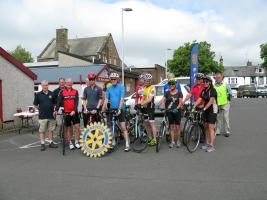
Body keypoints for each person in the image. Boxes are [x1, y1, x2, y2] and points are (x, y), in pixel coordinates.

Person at [103, 72, 130, 152]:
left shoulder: (121, 87)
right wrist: (103, 108)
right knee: (111, 126)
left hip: (121, 109)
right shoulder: (108, 88)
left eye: (115, 79)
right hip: (112, 109)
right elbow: (106, 99)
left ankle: (127, 144)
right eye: (112, 79)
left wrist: (119, 108)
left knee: (123, 127)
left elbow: (122, 99)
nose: (113, 80)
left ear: (117, 80)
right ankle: (113, 142)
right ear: (110, 80)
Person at [193, 76, 218, 152]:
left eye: (206, 82)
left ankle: (211, 145)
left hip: (213, 110)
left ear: (210, 83)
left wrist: (203, 109)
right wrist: (194, 106)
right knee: (206, 127)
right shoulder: (204, 91)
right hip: (206, 110)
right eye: (204, 82)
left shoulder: (213, 90)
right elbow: (199, 99)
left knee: (210, 127)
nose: (205, 83)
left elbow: (210, 102)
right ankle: (207, 143)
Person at [55, 78, 81, 150]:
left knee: (77, 127)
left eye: (70, 83)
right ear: (65, 84)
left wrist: (74, 110)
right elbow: (58, 102)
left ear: (72, 83)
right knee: (68, 129)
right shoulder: (62, 92)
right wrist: (56, 110)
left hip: (74, 112)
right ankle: (70, 143)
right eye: (68, 83)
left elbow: (76, 102)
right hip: (66, 113)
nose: (69, 84)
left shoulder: (75, 91)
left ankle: (76, 142)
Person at [33, 80, 58, 151]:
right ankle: (42, 144)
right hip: (42, 116)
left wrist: (55, 110)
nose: (45, 86)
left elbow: (55, 104)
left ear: (48, 85)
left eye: (46, 85)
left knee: (51, 130)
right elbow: (35, 105)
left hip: (51, 115)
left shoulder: (52, 93)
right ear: (41, 86)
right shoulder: (38, 94)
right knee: (42, 131)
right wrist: (40, 109)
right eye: (43, 85)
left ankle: (50, 143)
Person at [160, 79, 183, 148]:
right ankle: (172, 141)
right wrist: (163, 107)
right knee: (171, 127)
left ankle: (178, 140)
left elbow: (180, 102)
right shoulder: (167, 93)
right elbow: (163, 100)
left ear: (175, 85)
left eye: (173, 84)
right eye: (170, 85)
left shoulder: (179, 93)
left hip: (177, 111)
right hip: (169, 111)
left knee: (177, 127)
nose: (171, 86)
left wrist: (177, 108)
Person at [214, 72, 232, 137]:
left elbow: (230, 93)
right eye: (216, 77)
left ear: (222, 77)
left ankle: (227, 131)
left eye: (219, 77)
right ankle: (218, 131)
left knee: (225, 117)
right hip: (217, 104)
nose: (217, 79)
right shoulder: (213, 85)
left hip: (225, 103)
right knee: (217, 118)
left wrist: (228, 100)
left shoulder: (226, 84)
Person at [142, 73, 157, 146]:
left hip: (150, 108)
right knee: (146, 124)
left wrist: (142, 103)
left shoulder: (152, 88)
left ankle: (154, 139)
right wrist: (140, 103)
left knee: (151, 124)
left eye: (148, 81)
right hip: (145, 108)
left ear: (150, 81)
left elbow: (150, 99)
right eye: (145, 81)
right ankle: (150, 138)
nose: (146, 82)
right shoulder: (144, 88)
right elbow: (143, 98)